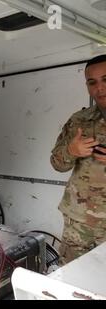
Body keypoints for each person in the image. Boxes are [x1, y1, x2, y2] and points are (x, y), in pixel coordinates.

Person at [51, 54, 106, 265]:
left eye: (105, 79)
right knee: (71, 279)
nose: (99, 88)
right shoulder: (79, 120)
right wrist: (71, 151)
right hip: (79, 221)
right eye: (92, 82)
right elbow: (56, 164)